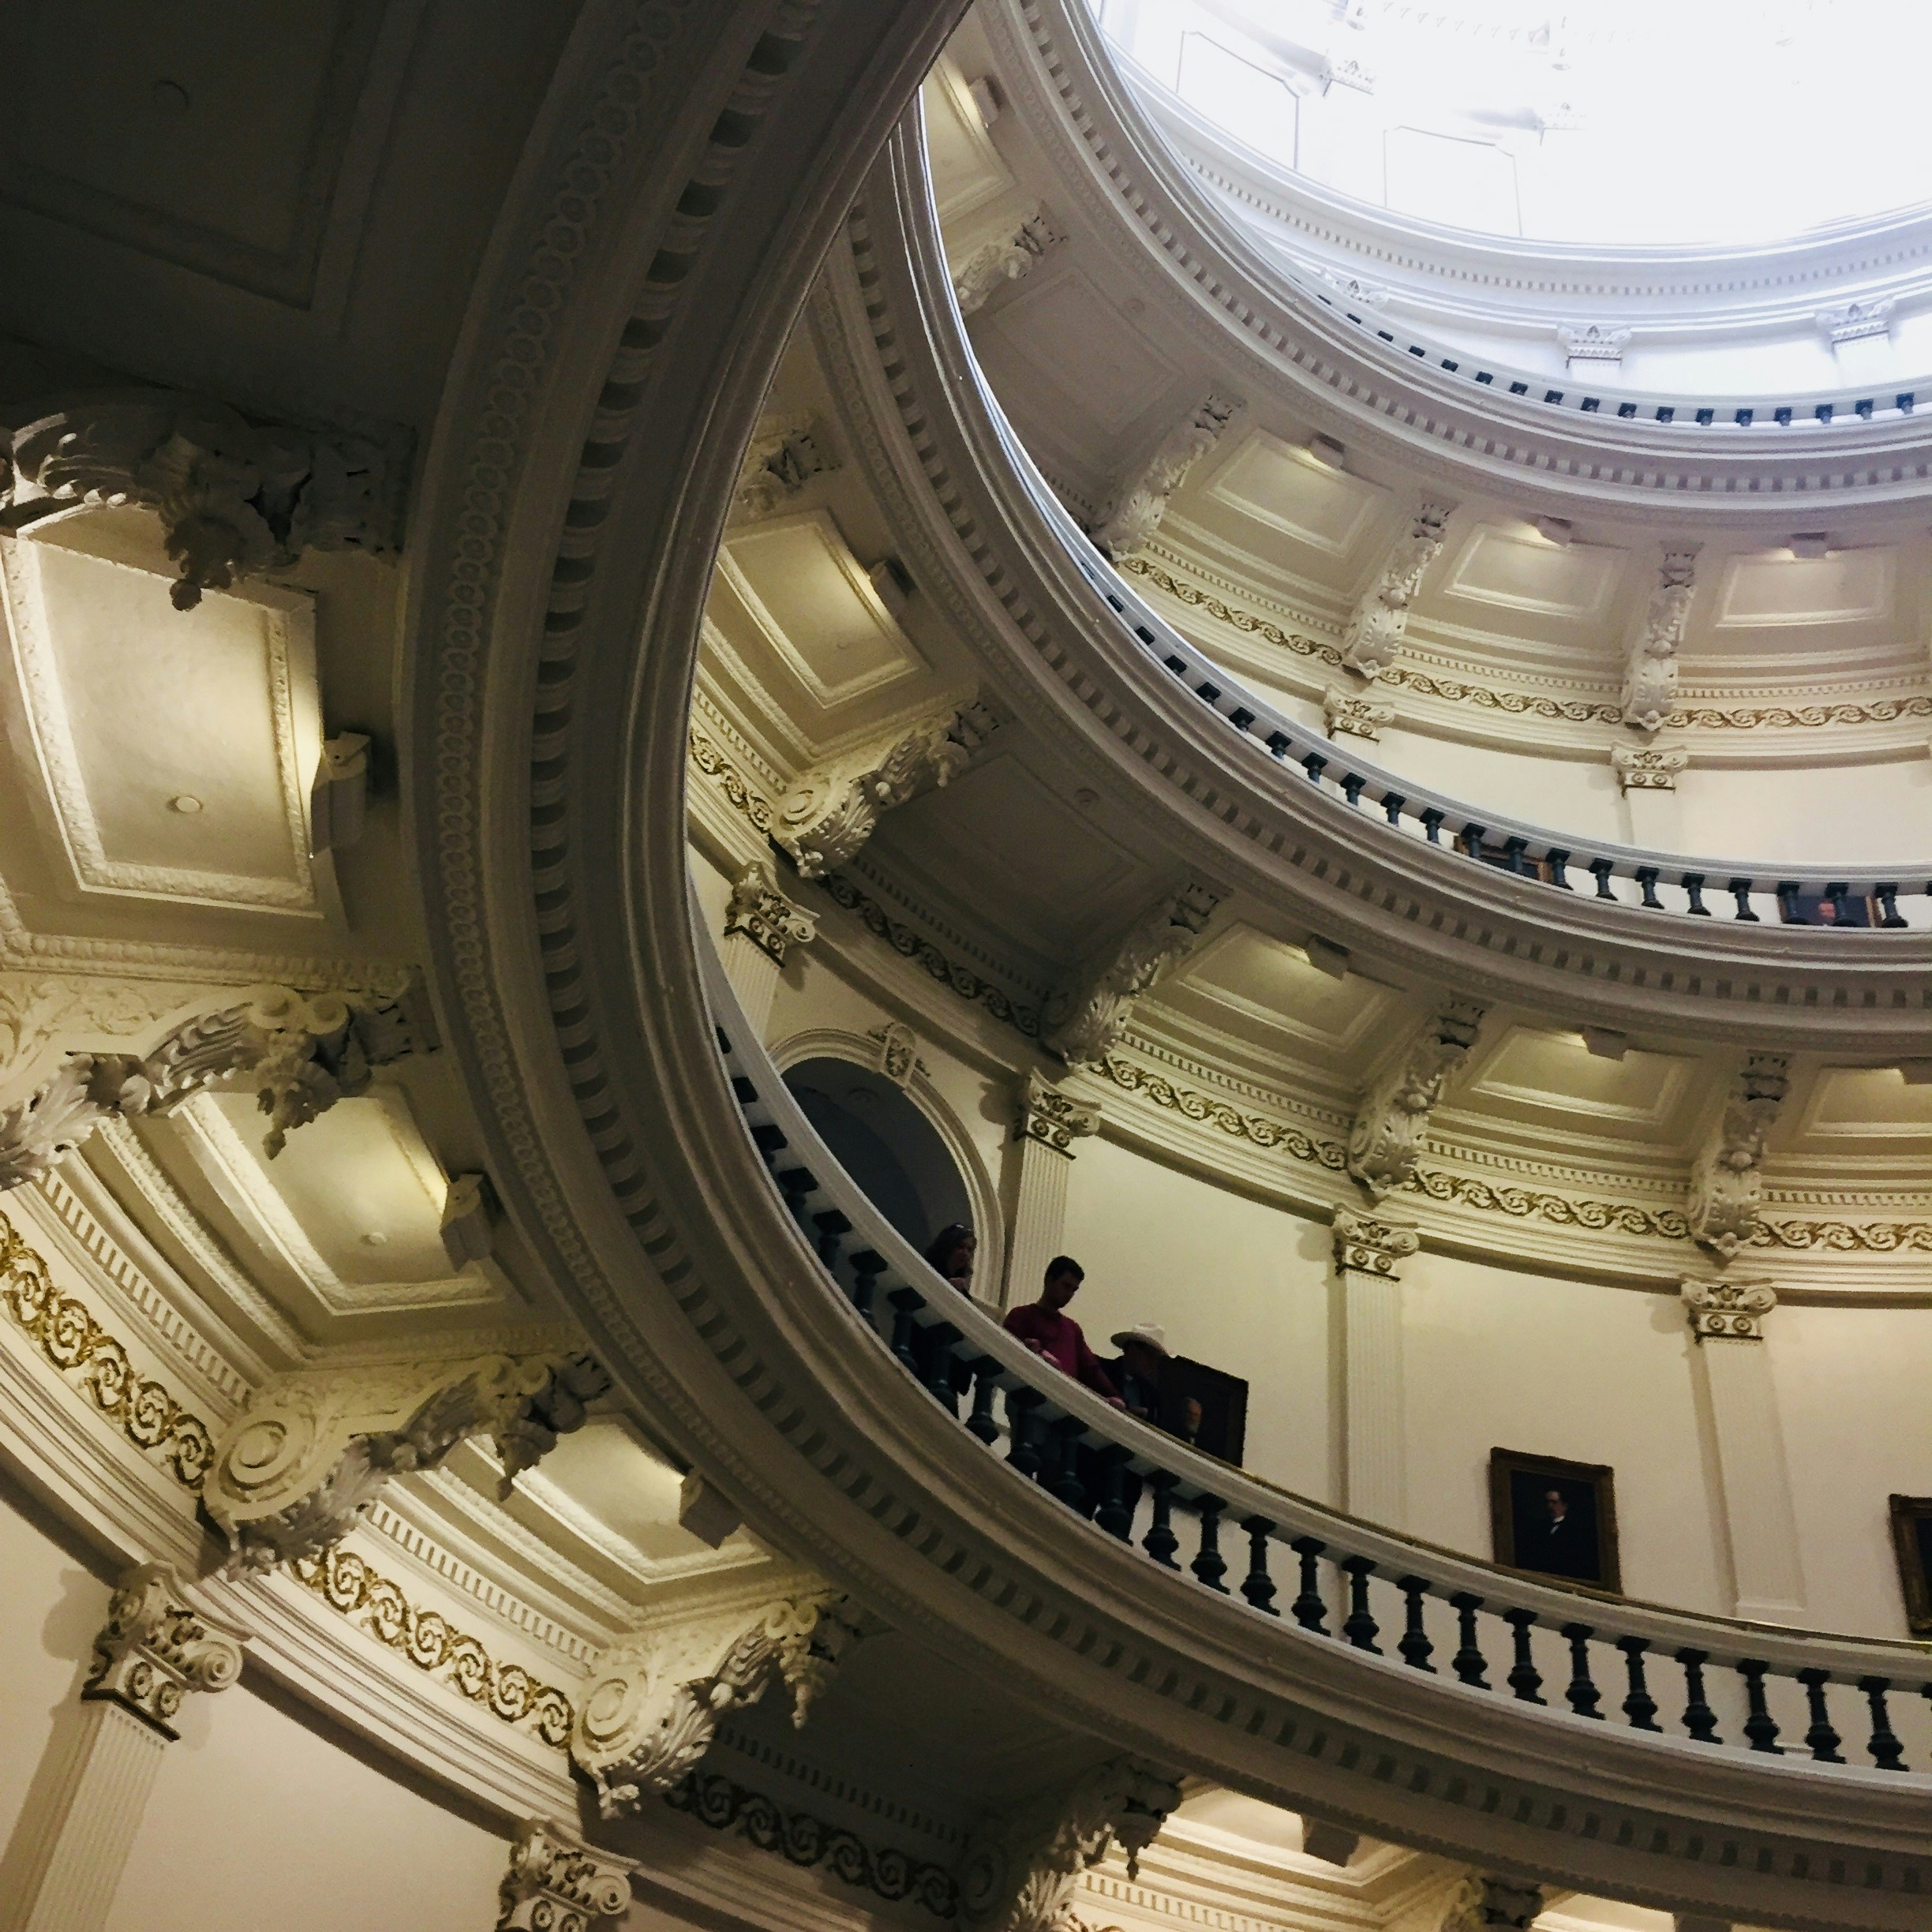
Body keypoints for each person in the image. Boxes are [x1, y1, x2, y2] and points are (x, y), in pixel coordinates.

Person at [1002, 1256, 1124, 1407]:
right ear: (1049, 1280)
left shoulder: (1072, 1329)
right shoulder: (1021, 1316)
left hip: (1064, 1405)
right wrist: (1038, 1352)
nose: (1069, 1294)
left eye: (1074, 1290)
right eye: (1066, 1286)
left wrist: (1114, 1395)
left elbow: (1091, 1369)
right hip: (1029, 1398)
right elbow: (1007, 1349)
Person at [1521, 1484, 1597, 1582]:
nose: (1550, 1506)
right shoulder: (1538, 1528)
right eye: (1547, 1502)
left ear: (1565, 1506)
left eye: (1554, 1502)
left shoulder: (1574, 1530)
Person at [1102, 1321, 1169, 1422]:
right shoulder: (1101, 1370)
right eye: (1150, 1355)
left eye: (1157, 1359)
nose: (1153, 1363)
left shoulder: (1151, 1393)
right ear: (1132, 1349)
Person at [923, 1223, 976, 1295]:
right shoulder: (926, 1269)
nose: (965, 1253)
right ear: (948, 1246)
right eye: (960, 1246)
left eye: (969, 1250)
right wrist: (946, 1287)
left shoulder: (964, 1283)